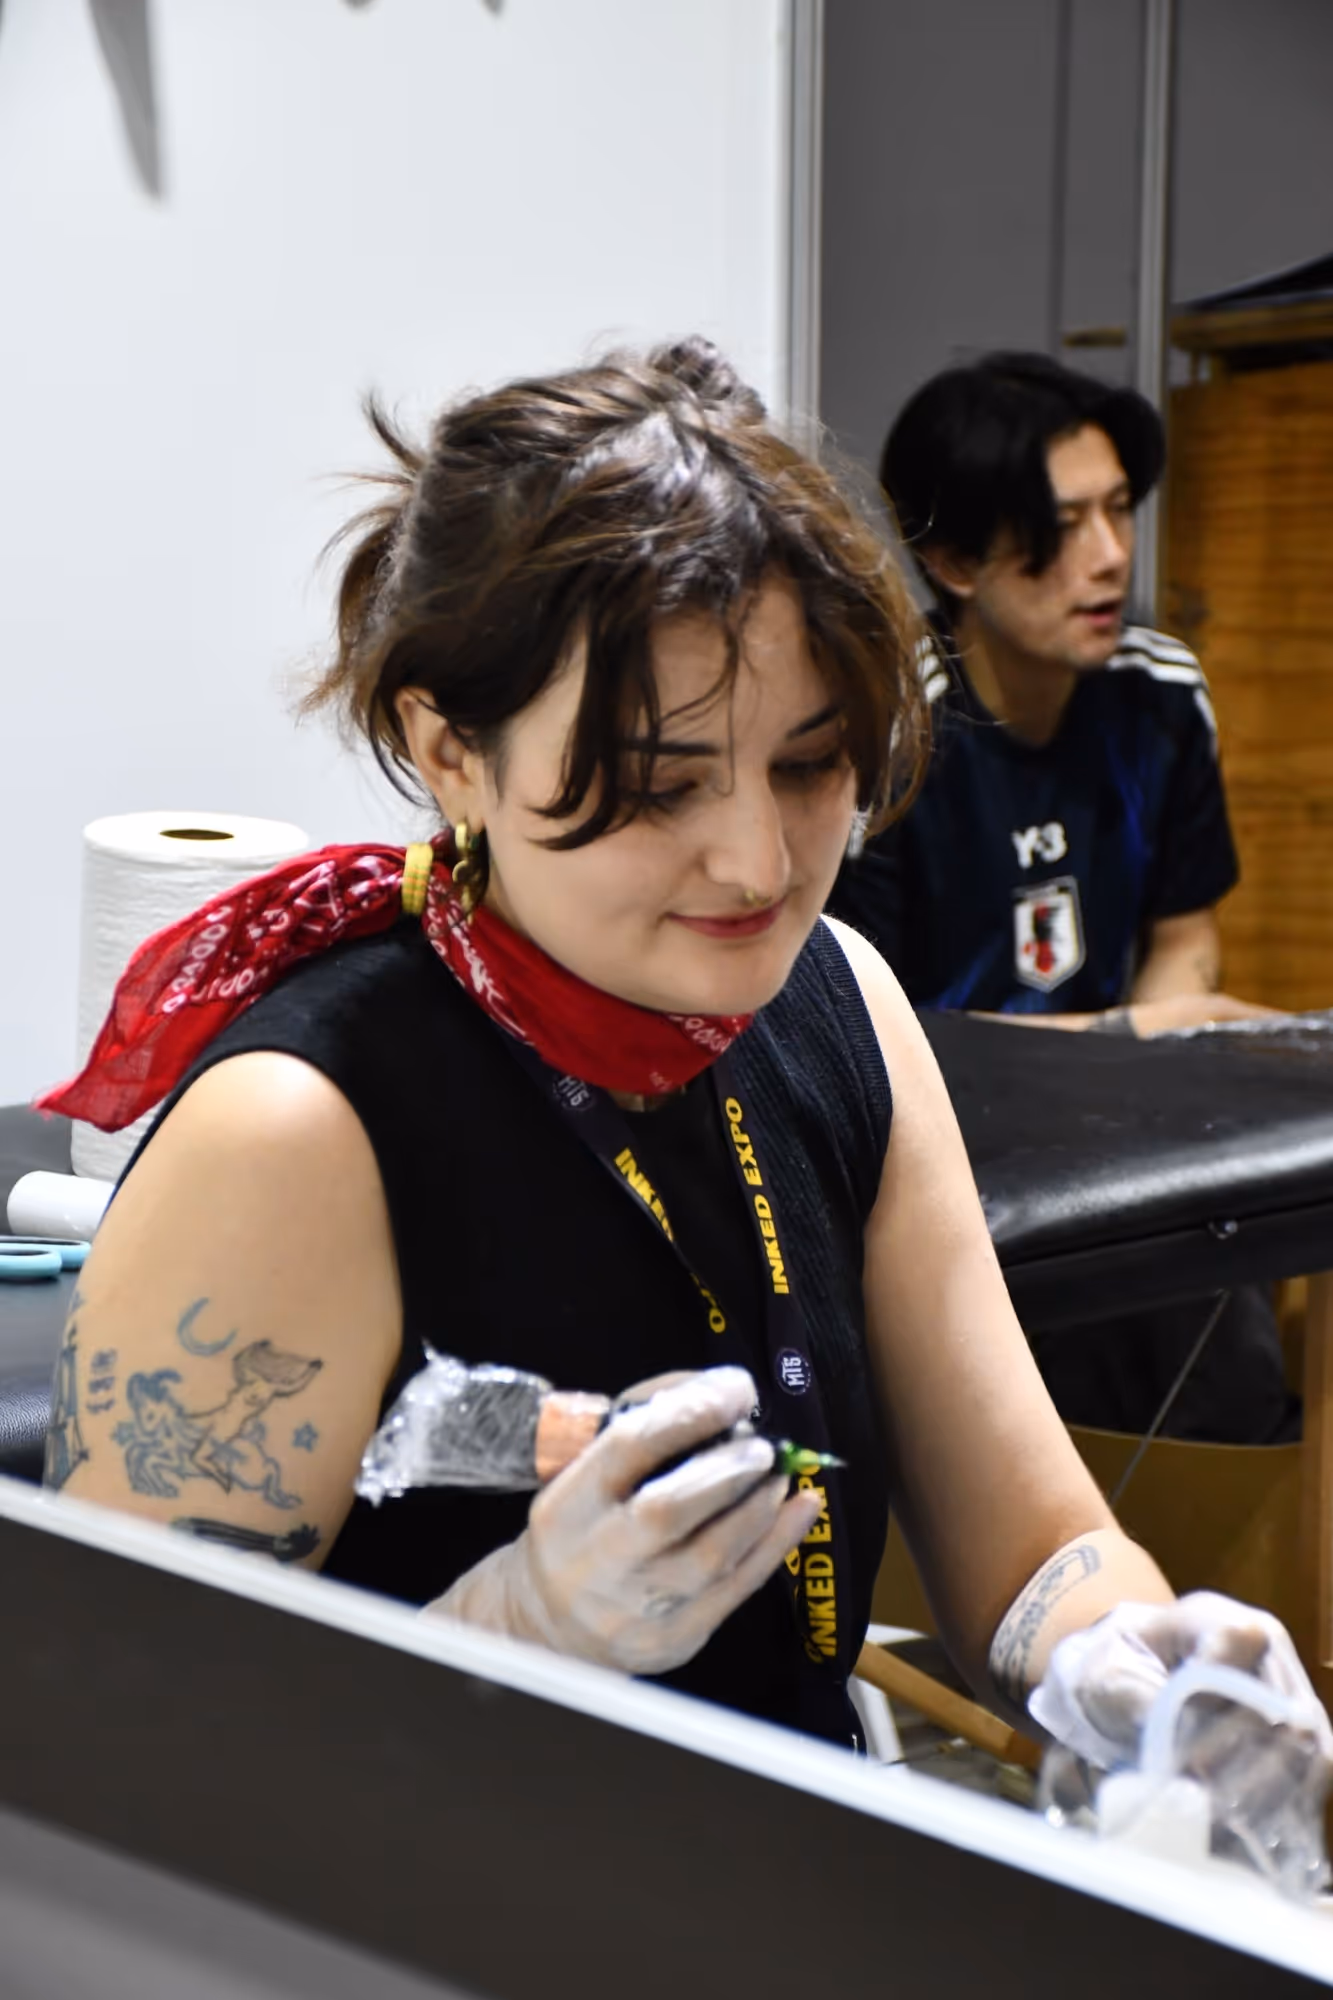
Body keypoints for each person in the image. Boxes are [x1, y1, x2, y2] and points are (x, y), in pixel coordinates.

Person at [39, 341, 1327, 1783]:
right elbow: (112, 1758)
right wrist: (506, 1634)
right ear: (448, 749)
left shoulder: (839, 1000)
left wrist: (1131, 1666)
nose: (757, 863)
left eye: (811, 763)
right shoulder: (301, 1129)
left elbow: (1032, 1546)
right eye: (658, 786)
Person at [827, 351, 1294, 1442]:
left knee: (1230, 1327)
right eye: (1061, 525)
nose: (1110, 555)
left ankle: (1243, 1503)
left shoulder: (1159, 692)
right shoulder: (888, 732)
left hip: (1122, 1122)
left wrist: (1151, 1047)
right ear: (952, 560)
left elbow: (1184, 943)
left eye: (1118, 511)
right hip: (942, 1144)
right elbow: (864, 1038)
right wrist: (1134, 1037)